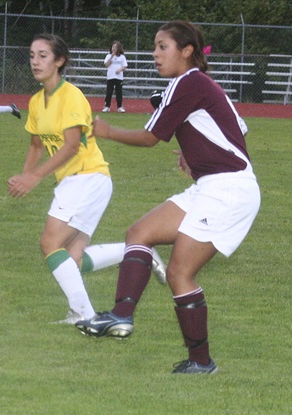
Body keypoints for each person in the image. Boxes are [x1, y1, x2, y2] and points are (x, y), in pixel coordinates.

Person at [75, 20, 261, 374]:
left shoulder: (187, 82)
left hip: (228, 190)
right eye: (155, 47)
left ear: (186, 51)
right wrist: (192, 153)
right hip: (213, 185)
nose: (155, 54)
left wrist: (106, 130)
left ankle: (202, 363)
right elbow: (237, 128)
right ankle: (120, 316)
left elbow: (150, 137)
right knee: (139, 233)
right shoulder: (199, 85)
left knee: (179, 272)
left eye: (163, 47)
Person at [7, 33, 166, 325]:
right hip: (75, 182)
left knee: (49, 244)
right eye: (32, 55)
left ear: (59, 61)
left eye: (43, 55)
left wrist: (36, 178)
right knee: (72, 259)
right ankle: (141, 252)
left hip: (88, 178)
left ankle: (84, 313)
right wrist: (25, 175)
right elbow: (36, 145)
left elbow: (71, 145)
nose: (35, 61)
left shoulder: (71, 96)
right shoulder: (36, 101)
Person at [102, 41, 128, 113]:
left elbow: (125, 66)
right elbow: (106, 64)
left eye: (115, 47)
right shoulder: (108, 56)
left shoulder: (122, 57)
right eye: (113, 47)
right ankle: (107, 106)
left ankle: (119, 107)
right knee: (109, 92)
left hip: (119, 77)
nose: (114, 49)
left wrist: (120, 69)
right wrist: (111, 57)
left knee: (119, 92)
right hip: (110, 77)